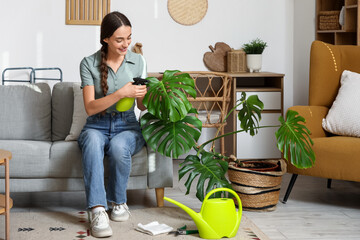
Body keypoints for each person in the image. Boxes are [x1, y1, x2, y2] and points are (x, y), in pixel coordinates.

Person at [77, 11, 147, 238]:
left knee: (119, 147)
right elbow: (90, 107)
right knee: (92, 142)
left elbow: (142, 106)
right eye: (119, 39)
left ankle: (118, 203)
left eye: (129, 38)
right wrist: (120, 93)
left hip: (127, 125)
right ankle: (97, 210)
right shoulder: (88, 63)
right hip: (96, 125)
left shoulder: (138, 61)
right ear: (105, 38)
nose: (126, 44)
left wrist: (150, 93)